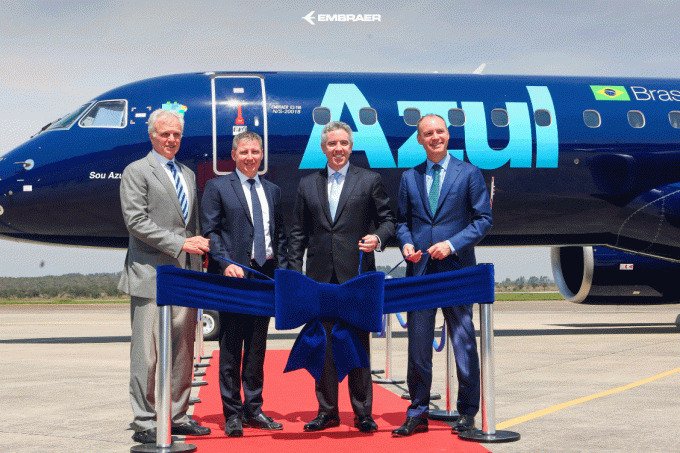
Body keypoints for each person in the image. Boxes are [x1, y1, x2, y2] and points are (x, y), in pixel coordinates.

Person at [288, 121, 396, 433]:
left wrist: (377, 237)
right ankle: (328, 411)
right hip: (319, 277)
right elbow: (297, 234)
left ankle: (363, 412)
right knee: (323, 345)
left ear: (351, 146)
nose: (338, 149)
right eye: (332, 144)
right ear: (323, 148)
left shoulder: (370, 180)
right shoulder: (308, 184)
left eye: (343, 144)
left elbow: (388, 220)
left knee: (359, 344)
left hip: (358, 276)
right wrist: (296, 276)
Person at [392, 114, 492, 437]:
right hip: (419, 270)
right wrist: (406, 244)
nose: (435, 137)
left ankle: (467, 412)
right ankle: (418, 410)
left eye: (440, 131)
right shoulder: (409, 178)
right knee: (418, 344)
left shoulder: (469, 174)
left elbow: (482, 220)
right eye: (427, 133)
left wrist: (450, 244)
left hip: (455, 269)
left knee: (462, 340)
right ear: (419, 140)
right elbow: (402, 222)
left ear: (448, 136)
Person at [118, 109, 211, 444]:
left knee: (183, 350)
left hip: (185, 273)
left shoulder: (186, 173)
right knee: (147, 353)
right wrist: (180, 242)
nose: (171, 140)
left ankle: (177, 414)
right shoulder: (136, 171)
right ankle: (144, 419)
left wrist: (198, 258)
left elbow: (193, 226)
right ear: (151, 135)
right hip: (150, 274)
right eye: (164, 134)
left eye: (176, 135)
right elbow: (136, 222)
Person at [201, 131, 287, 437]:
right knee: (231, 346)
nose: (250, 157)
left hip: (263, 276)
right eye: (244, 152)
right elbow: (210, 231)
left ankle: (254, 408)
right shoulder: (217, 187)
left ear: (262, 155)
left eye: (255, 152)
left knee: (257, 347)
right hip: (233, 277)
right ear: (234, 155)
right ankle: (232, 412)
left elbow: (279, 235)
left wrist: (283, 272)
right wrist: (225, 265)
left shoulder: (273, 191)